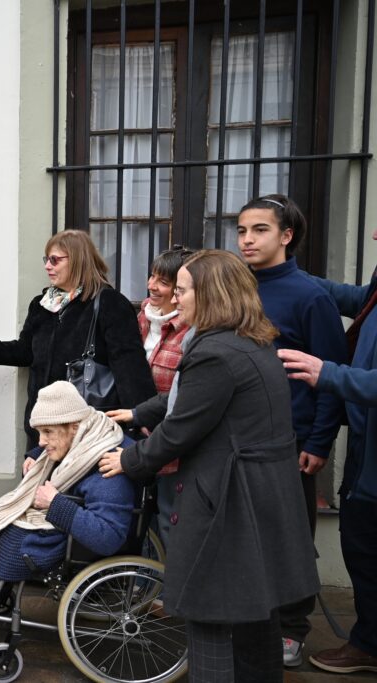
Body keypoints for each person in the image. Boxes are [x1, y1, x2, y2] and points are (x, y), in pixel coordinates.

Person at [99, 250, 319, 682]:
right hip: (261, 496)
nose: (175, 298)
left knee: (210, 619)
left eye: (182, 290)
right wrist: (139, 412)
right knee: (257, 616)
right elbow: (191, 397)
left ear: (211, 294)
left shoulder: (215, 351)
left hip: (229, 502)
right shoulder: (248, 339)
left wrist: (127, 459)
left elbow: (180, 430)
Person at [0, 381, 135, 640]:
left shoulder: (107, 469)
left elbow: (108, 536)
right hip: (61, 526)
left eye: (47, 432)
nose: (41, 441)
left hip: (71, 541)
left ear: (74, 426)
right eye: (39, 433)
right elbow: (58, 442)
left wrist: (55, 503)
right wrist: (37, 455)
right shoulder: (87, 431)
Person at [235, 194, 347, 667]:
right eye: (242, 230)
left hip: (292, 443)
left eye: (259, 229)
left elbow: (332, 374)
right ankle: (249, 621)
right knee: (245, 537)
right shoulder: (235, 287)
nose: (247, 239)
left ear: (286, 235)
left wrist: (319, 441)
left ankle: (291, 629)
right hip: (237, 439)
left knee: (291, 539)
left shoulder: (310, 296)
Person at [278, 228, 377, 674]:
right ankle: (368, 643)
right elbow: (352, 297)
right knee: (361, 548)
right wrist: (280, 270)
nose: (373, 232)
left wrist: (330, 375)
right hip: (364, 450)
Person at [0, 229, 156, 448]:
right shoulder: (42, 304)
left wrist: (141, 415)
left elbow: (129, 365)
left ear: (78, 260)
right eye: (46, 259)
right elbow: (26, 351)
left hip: (86, 428)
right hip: (43, 426)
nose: (47, 266)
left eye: (55, 260)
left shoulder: (109, 303)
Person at [134, 246, 193, 550]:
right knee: (143, 522)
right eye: (152, 277)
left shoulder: (191, 331)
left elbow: (186, 391)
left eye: (164, 282)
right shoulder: (144, 317)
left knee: (171, 519)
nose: (152, 286)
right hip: (141, 436)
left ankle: (171, 579)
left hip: (173, 442)